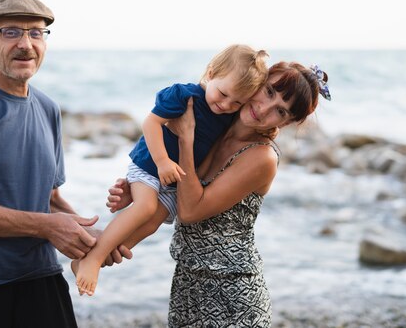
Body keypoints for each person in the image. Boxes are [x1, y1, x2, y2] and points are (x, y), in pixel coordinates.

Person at [0, 0, 128, 328]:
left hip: (38, 278)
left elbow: (49, 200)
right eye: (11, 32)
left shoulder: (48, 109)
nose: (26, 44)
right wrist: (47, 226)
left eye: (36, 33)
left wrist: (92, 240)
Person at [107, 61, 331, 327]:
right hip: (188, 283)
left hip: (233, 295)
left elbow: (190, 211)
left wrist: (186, 140)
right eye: (269, 92)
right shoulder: (217, 123)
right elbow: (175, 179)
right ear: (257, 81)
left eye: (280, 111)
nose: (264, 109)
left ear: (289, 122)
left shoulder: (261, 156)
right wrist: (138, 189)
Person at [72, 44, 270, 296]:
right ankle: (94, 259)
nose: (226, 104)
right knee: (144, 208)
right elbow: (151, 122)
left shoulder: (229, 115)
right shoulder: (184, 95)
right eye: (223, 94)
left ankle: (98, 256)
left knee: (153, 222)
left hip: (175, 181)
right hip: (150, 165)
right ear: (211, 73)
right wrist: (163, 161)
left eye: (236, 102)